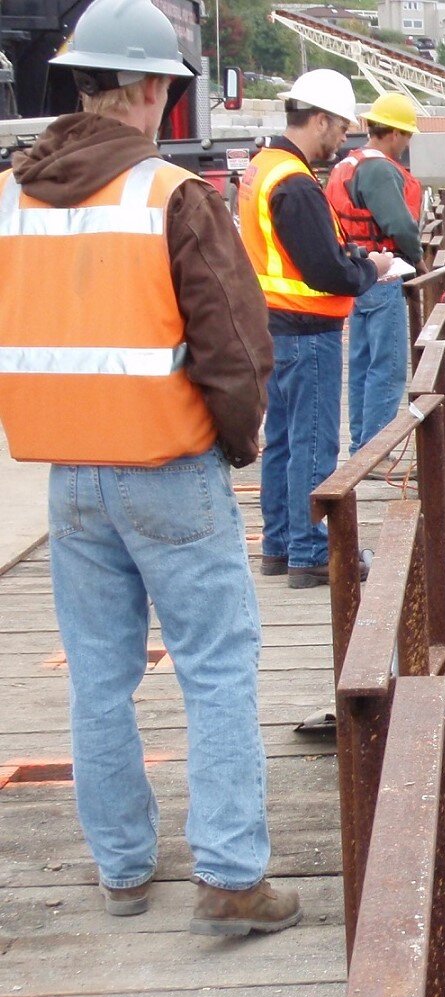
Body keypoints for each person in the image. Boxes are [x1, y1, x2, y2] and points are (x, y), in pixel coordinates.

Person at [0, 0, 299, 933]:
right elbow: (236, 346)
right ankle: (230, 874)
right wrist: (237, 445)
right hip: (167, 464)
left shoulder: (15, 198)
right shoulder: (171, 195)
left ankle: (123, 869)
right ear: (142, 92)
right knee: (215, 667)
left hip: (69, 478)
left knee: (98, 675)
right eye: (168, 90)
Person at [237, 68, 391, 588]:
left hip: (273, 327)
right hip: (308, 333)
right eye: (339, 126)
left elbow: (296, 254)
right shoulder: (297, 185)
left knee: (281, 441)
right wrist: (372, 269)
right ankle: (310, 552)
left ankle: (280, 544)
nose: (341, 139)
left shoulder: (264, 168)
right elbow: (325, 272)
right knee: (314, 444)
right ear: (319, 118)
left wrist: (347, 256)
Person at [325, 92, 425, 459]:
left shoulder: (345, 164)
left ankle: (360, 449)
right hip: (382, 277)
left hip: (356, 276)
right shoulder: (380, 168)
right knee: (388, 369)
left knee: (363, 367)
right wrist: (418, 257)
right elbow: (399, 224)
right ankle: (375, 455)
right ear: (395, 134)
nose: (407, 144)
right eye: (407, 136)